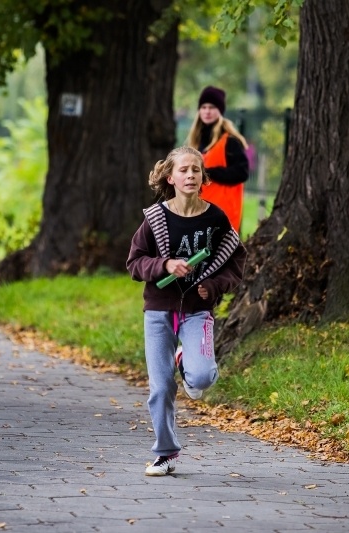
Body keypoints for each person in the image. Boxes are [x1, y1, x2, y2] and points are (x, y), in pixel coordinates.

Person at [126, 146, 247, 477]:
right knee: (161, 387)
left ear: (203, 177)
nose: (190, 175)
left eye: (196, 170)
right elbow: (134, 263)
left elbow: (236, 259)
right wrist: (164, 264)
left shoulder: (216, 218)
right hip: (159, 312)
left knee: (202, 377)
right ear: (171, 177)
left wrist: (215, 285)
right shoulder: (155, 219)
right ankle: (165, 454)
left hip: (198, 311)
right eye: (183, 170)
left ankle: (186, 359)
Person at [186, 85, 250, 233]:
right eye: (203, 107)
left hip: (223, 214)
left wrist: (209, 172)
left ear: (220, 111)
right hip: (200, 211)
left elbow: (242, 172)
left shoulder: (229, 141)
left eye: (212, 107)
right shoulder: (197, 142)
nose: (207, 111)